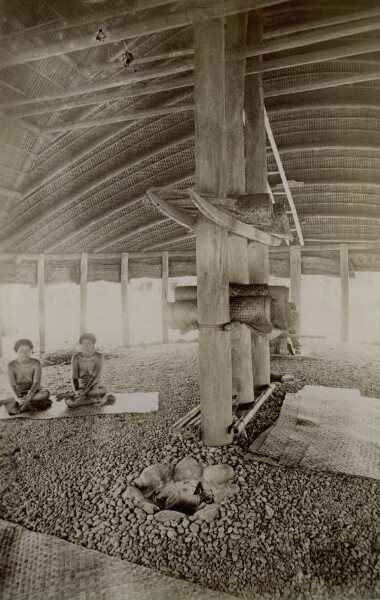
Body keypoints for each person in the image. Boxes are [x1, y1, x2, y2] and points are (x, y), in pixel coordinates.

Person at [60, 333, 109, 408]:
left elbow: (95, 377)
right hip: (81, 386)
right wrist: (77, 391)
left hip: (95, 386)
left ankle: (95, 398)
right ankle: (96, 399)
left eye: (88, 343)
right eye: (83, 344)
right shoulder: (76, 357)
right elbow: (74, 377)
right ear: (81, 345)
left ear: (93, 344)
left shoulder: (99, 357)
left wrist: (84, 393)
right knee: (69, 403)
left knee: (103, 390)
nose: (86, 346)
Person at [6, 339, 52, 415]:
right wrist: (17, 398)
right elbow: (12, 385)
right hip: (18, 393)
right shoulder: (11, 365)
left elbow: (37, 382)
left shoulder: (36, 363)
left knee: (45, 393)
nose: (25, 353)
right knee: (5, 396)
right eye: (21, 351)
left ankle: (24, 404)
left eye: (28, 350)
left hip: (34, 392)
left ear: (31, 351)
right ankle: (26, 404)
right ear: (16, 352)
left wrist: (29, 396)